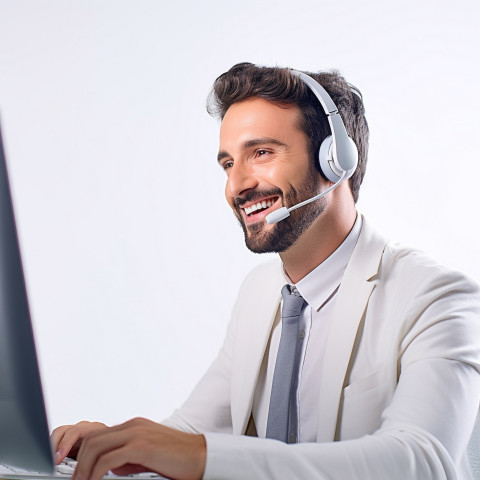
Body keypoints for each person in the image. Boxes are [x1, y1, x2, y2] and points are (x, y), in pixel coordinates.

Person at [51, 63, 480, 480]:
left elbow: (426, 462)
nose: (237, 185)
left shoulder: (436, 297)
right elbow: (194, 432)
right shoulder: (261, 292)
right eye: (227, 163)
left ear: (335, 159)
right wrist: (117, 444)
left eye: (261, 152)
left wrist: (197, 454)